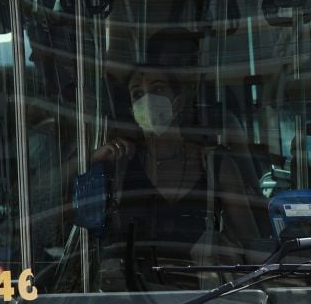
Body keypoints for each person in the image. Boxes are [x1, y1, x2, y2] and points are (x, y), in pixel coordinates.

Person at [91, 34, 260, 289]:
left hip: (206, 301)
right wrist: (92, 162)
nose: (147, 101)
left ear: (178, 102)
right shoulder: (121, 165)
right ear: (133, 111)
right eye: (138, 94)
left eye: (158, 89)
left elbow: (251, 243)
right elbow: (83, 227)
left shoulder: (215, 163)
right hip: (132, 300)